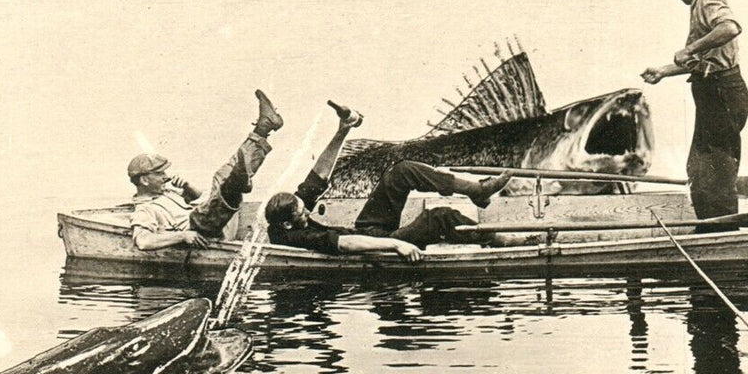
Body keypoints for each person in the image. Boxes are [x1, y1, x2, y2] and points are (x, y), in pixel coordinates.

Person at [264, 101, 511, 260]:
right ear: (288, 225)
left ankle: (476, 190)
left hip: (367, 228)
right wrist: (395, 245)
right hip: (376, 245)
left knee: (401, 171)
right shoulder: (296, 237)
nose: (306, 210)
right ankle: (504, 242)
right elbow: (347, 244)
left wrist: (343, 130)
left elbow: (318, 175)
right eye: (302, 213)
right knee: (439, 217)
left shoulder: (291, 213)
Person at [641, 0, 748, 221]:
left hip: (723, 93)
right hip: (714, 93)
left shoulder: (708, 0)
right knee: (700, 167)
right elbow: (704, 63)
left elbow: (730, 27)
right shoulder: (699, 5)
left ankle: (722, 229)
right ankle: (710, 221)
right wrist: (664, 71)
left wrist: (690, 48)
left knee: (717, 170)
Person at [128, 89, 284, 250]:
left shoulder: (165, 192)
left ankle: (263, 129)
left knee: (220, 177)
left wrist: (187, 187)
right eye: (159, 174)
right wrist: (183, 236)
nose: (165, 177)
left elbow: (198, 197)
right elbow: (143, 241)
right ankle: (237, 181)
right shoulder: (144, 209)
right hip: (205, 231)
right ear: (144, 180)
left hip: (219, 221)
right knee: (216, 193)